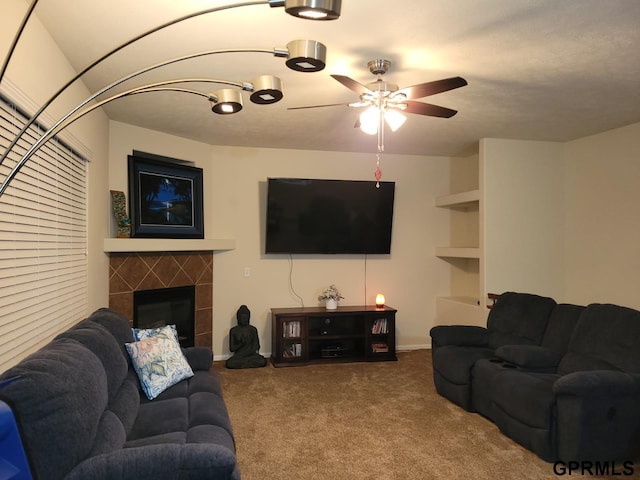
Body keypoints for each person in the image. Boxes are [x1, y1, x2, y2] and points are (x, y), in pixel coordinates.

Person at [226, 305, 267, 369]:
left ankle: (244, 364)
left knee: (262, 361)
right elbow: (232, 349)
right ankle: (248, 364)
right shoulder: (234, 330)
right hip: (239, 356)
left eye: (246, 318)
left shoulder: (253, 329)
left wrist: (251, 351)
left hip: (251, 355)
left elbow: (257, 346)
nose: (244, 320)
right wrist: (242, 343)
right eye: (242, 318)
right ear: (238, 318)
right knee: (230, 363)